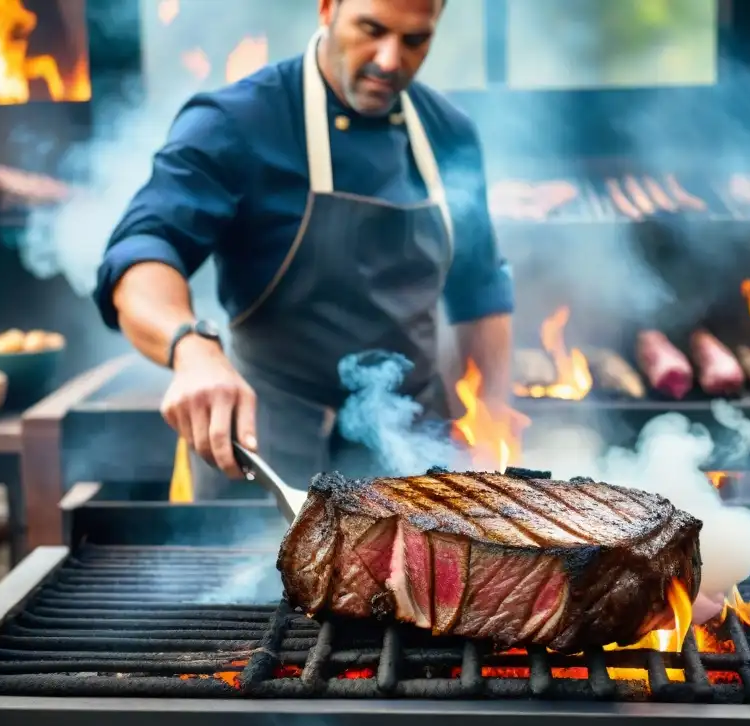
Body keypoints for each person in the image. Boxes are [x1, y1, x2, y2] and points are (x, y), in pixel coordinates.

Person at [93, 0, 514, 496]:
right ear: (328, 8)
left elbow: (480, 291)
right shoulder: (238, 121)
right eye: (371, 29)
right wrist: (191, 346)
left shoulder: (449, 134)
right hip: (264, 452)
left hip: (412, 453)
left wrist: (493, 427)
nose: (388, 60)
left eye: (414, 40)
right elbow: (143, 247)